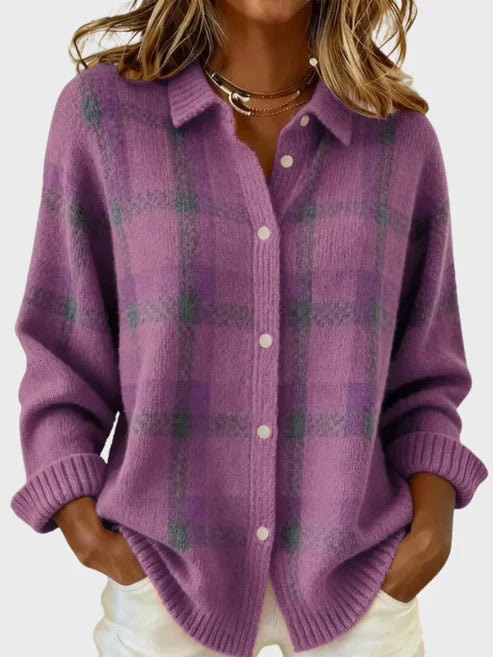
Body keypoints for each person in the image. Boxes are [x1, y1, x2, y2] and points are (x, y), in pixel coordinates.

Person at [10, 1, 488, 656]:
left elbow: (426, 373)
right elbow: (61, 345)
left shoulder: (398, 139)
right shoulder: (102, 117)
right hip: (166, 579)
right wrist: (82, 523)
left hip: (360, 583)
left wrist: (431, 531)